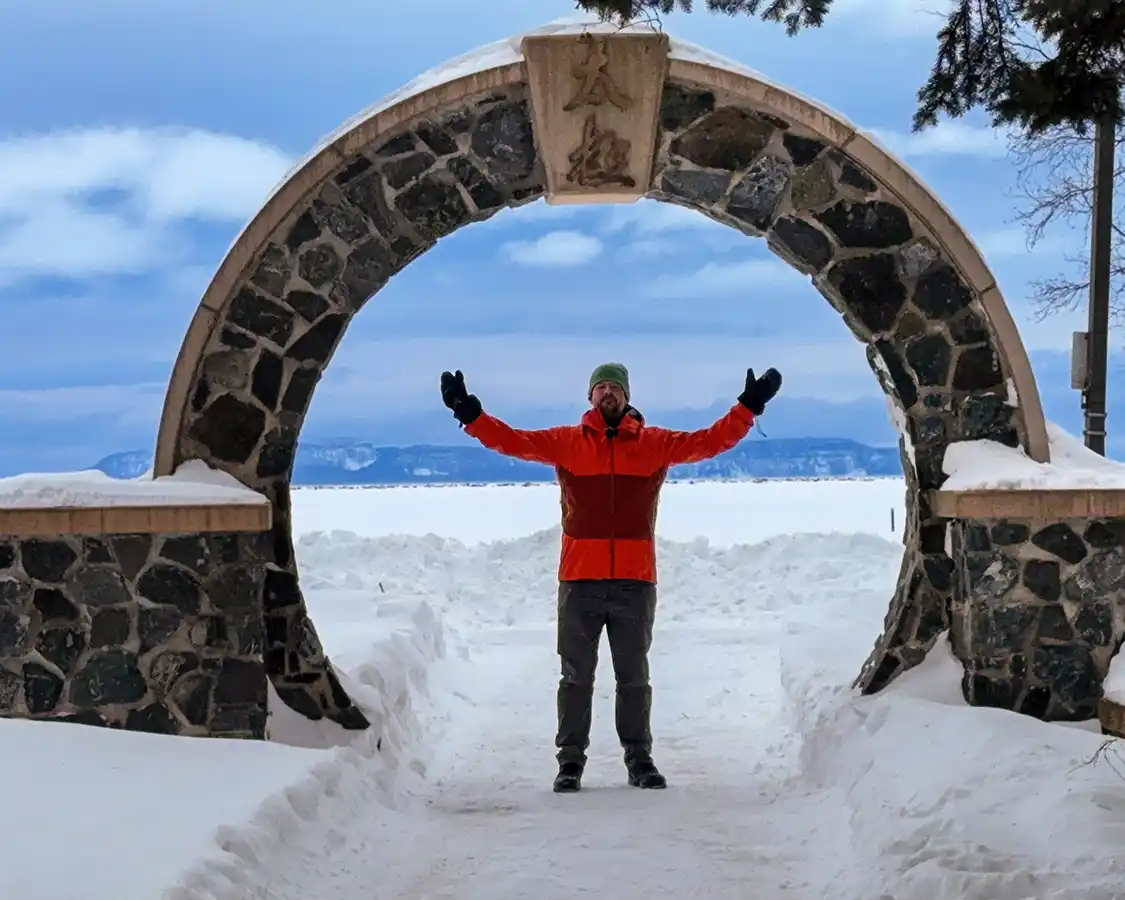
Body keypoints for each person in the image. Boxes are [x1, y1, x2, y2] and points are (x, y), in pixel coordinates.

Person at [439, 362, 782, 793]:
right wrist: (470, 414)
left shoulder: (654, 444)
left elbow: (708, 442)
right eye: (601, 387)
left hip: (634, 582)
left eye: (615, 388)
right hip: (579, 580)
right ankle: (570, 763)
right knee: (575, 677)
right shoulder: (567, 442)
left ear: (627, 396)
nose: (608, 394)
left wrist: (748, 407)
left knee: (633, 678)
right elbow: (512, 441)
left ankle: (639, 761)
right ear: (590, 396)